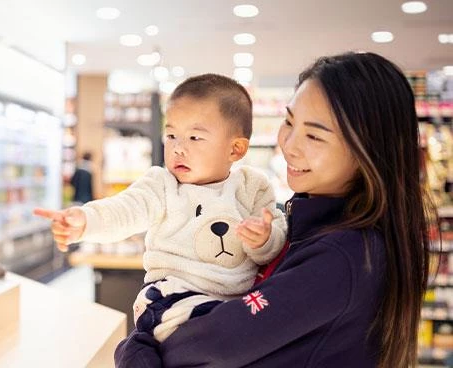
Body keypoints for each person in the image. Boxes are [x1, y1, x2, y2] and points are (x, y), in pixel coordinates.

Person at [112, 52, 434, 368]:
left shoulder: (345, 255)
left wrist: (136, 346)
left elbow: (216, 344)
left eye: (314, 136)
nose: (289, 144)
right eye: (289, 122)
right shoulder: (316, 226)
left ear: (368, 150)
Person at [35, 74, 287, 343]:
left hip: (233, 304)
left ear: (235, 149)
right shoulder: (162, 185)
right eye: (171, 135)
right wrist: (86, 221)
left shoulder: (252, 187)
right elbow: (125, 210)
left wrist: (264, 239)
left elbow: (277, 236)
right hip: (170, 298)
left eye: (194, 137)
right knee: (204, 331)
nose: (178, 148)